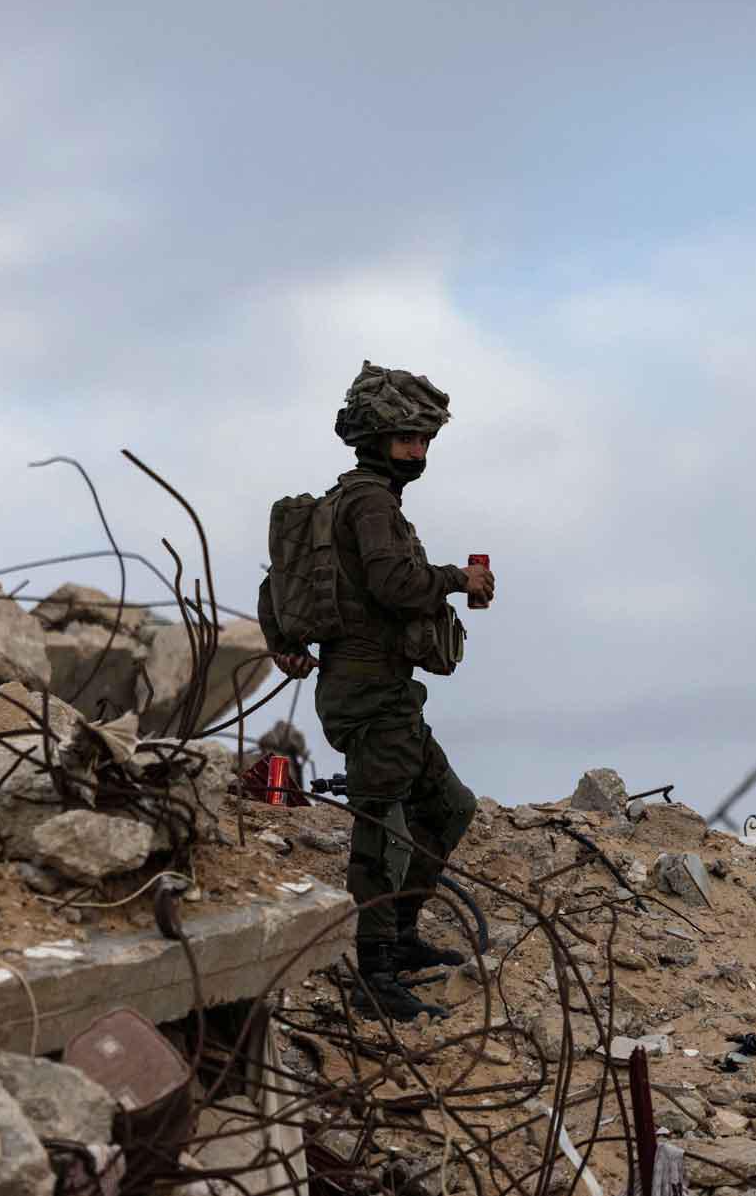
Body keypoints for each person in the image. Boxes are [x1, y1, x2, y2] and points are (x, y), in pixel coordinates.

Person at [257, 361, 495, 1021]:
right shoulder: (367, 502)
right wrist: (456, 580)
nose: (418, 452)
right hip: (368, 693)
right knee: (381, 829)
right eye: (406, 439)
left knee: (448, 807)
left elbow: (274, 588)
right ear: (375, 437)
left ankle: (402, 935)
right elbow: (394, 584)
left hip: (383, 693)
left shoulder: (354, 500)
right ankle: (375, 971)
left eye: (424, 440)